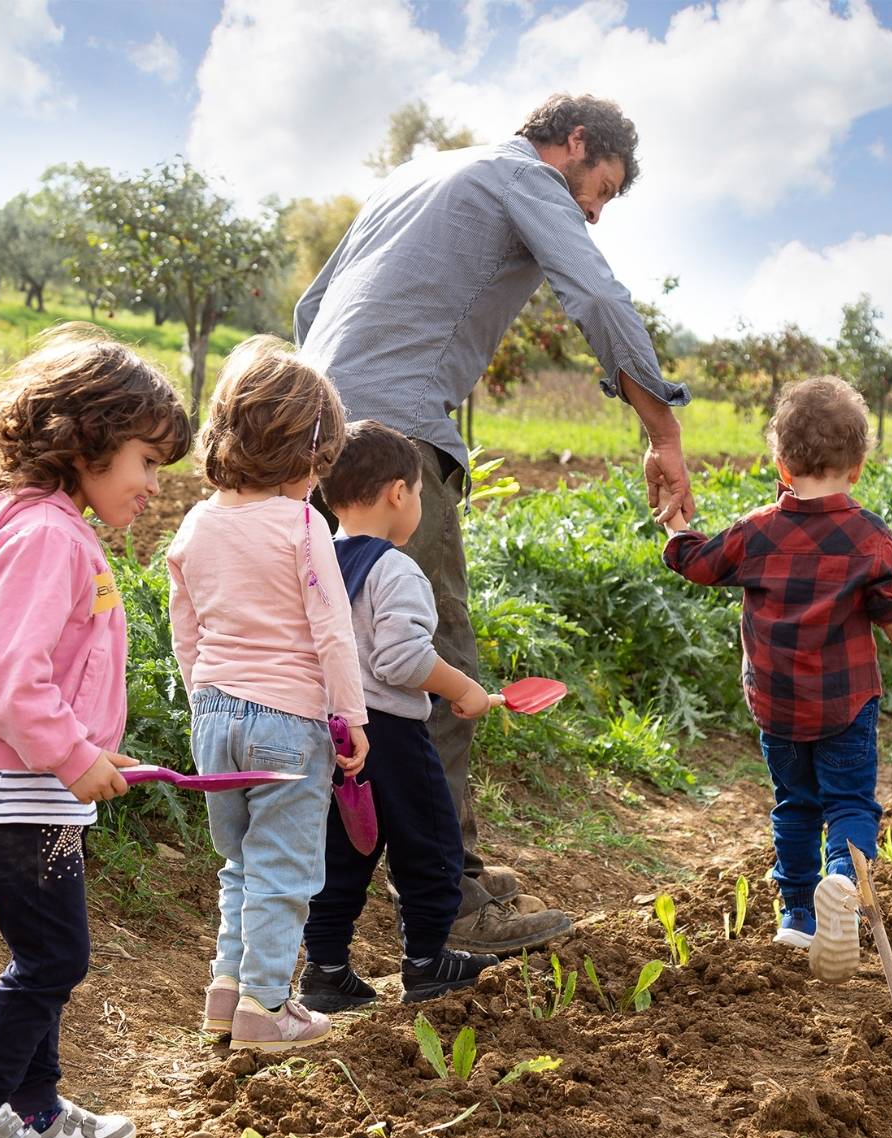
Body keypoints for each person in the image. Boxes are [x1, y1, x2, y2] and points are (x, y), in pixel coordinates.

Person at [296, 92, 694, 954]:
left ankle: (409, 870)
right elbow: (597, 294)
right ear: (576, 143)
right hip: (394, 438)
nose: (595, 209)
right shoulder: (525, 178)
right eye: (605, 188)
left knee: (347, 658)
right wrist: (661, 427)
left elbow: (312, 308)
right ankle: (453, 902)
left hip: (315, 429)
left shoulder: (417, 174)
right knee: (429, 658)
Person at [0, 323, 191, 1138]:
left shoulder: (56, 529)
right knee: (54, 960)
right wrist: (71, 755)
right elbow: (5, 672)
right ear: (89, 442)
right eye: (146, 461)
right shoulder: (47, 537)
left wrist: (81, 752)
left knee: (47, 953)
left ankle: (36, 1112)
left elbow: (50, 666)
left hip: (25, 786)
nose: (152, 486)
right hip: (18, 789)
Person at [660, 376, 892, 984]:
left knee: (794, 805)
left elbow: (696, 563)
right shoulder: (870, 537)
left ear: (781, 465)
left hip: (777, 706)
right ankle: (844, 881)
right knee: (850, 804)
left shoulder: (755, 531)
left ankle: (797, 914)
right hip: (846, 705)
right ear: (858, 467)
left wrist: (675, 527)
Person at [165, 336, 371, 1053]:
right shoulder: (303, 525)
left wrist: (205, 700)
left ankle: (226, 996)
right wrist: (351, 717)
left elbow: (184, 624)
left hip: (214, 717)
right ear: (306, 455)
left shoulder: (197, 523)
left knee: (241, 865)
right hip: (288, 723)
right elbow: (333, 632)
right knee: (283, 871)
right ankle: (267, 1009)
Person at [298, 420, 507, 1012]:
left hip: (333, 735)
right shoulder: (396, 569)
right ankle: (427, 960)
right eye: (417, 493)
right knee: (431, 843)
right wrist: (461, 686)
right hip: (390, 733)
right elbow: (403, 658)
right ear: (398, 493)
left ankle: (325, 971)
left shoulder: (316, 563)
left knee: (341, 854)